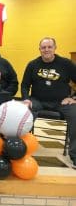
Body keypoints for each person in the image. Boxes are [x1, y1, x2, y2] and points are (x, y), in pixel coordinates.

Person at [21, 37, 76, 168]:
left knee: (75, 115)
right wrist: (26, 99)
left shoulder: (66, 64)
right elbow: (24, 85)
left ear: (55, 48)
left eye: (49, 47)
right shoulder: (32, 64)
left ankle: (74, 156)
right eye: (43, 47)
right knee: (24, 112)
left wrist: (73, 98)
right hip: (37, 100)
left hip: (61, 102)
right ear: (39, 49)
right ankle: (21, 150)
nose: (46, 50)